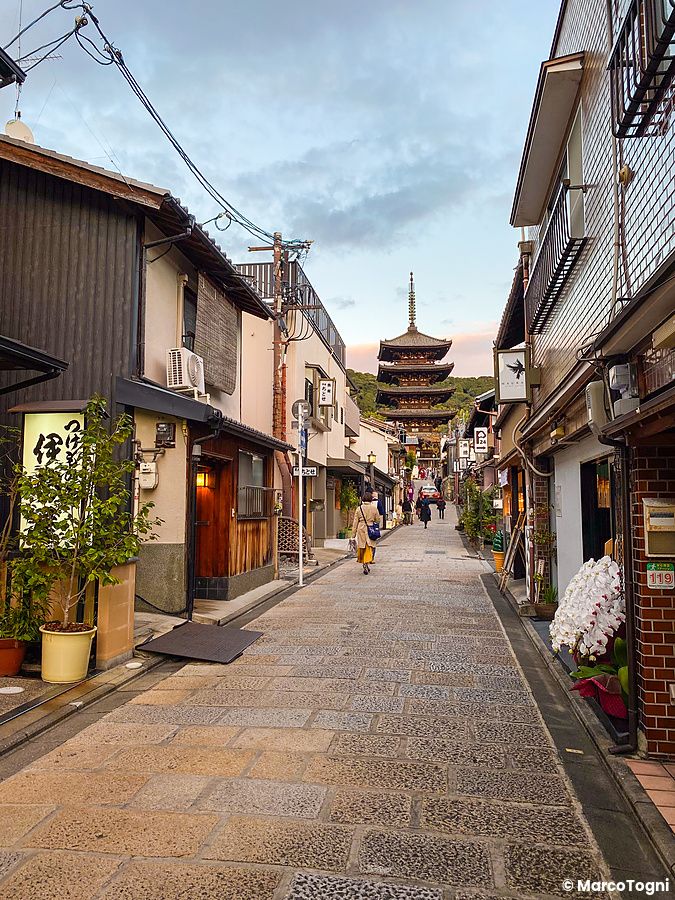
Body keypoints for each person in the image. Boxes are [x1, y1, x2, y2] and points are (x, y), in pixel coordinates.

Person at [350, 490, 380, 574]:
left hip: (361, 528)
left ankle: (364, 562)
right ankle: (367, 561)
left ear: (363, 499)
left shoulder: (359, 509)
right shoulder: (374, 508)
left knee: (362, 546)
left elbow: (355, 522)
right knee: (369, 546)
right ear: (371, 499)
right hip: (371, 528)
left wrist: (353, 535)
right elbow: (378, 520)